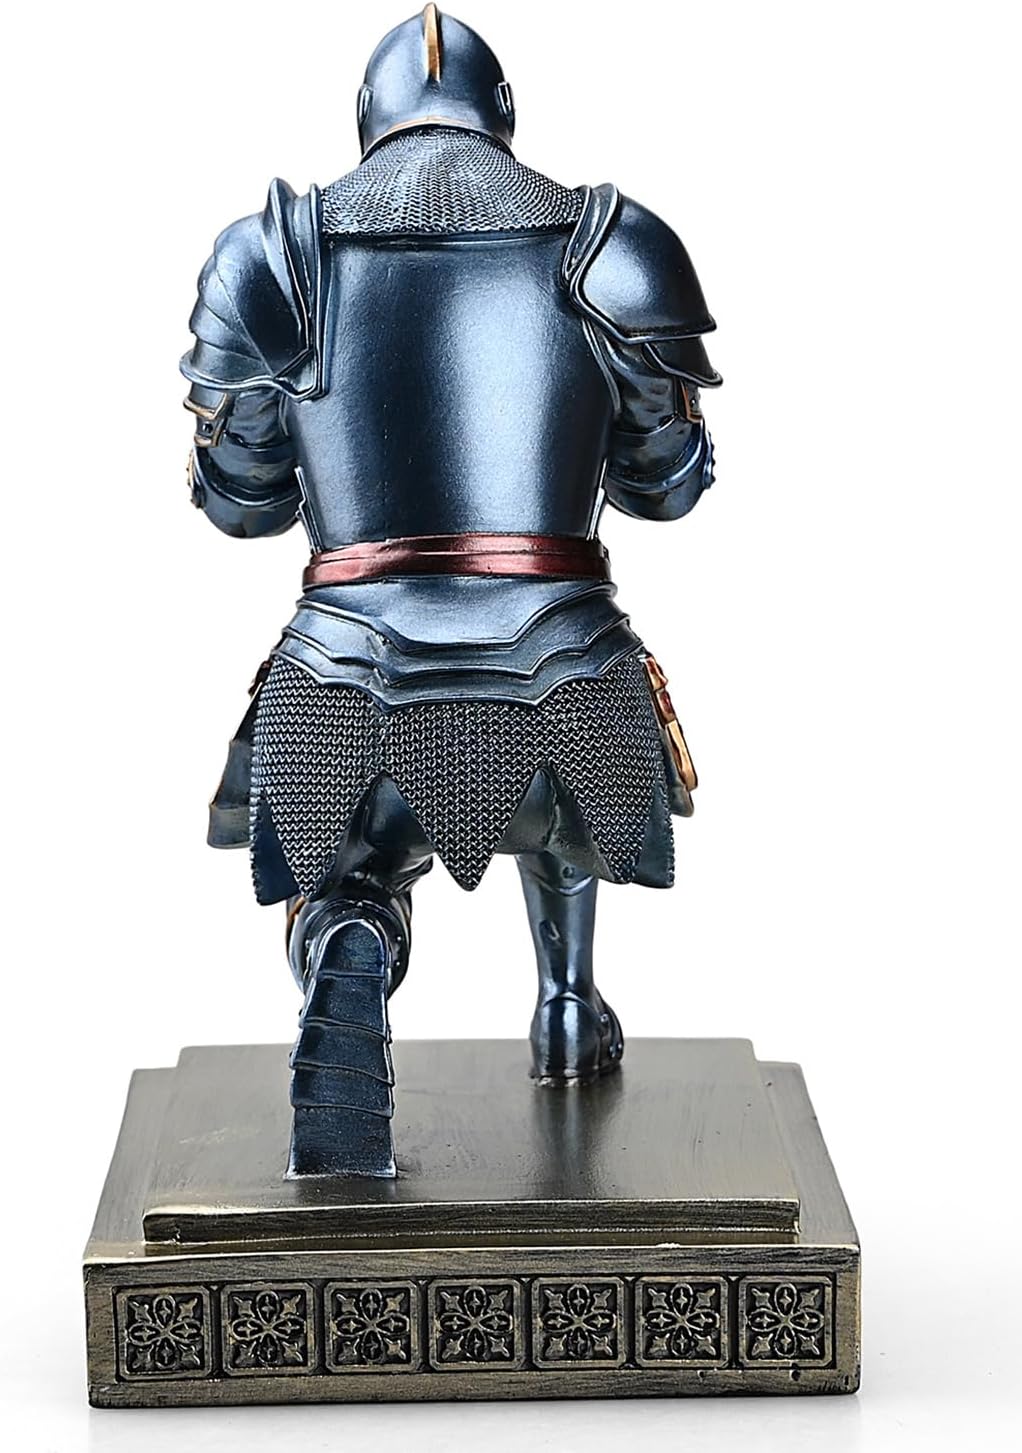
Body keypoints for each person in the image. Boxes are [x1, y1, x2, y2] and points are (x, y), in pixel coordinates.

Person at [182, 6, 720, 1176]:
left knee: (348, 865)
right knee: (562, 796)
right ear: (504, 115)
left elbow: (239, 502)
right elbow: (667, 486)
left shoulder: (273, 256)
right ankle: (567, 1004)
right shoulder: (608, 244)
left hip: (349, 677)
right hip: (566, 671)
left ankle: (353, 935)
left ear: (364, 121)